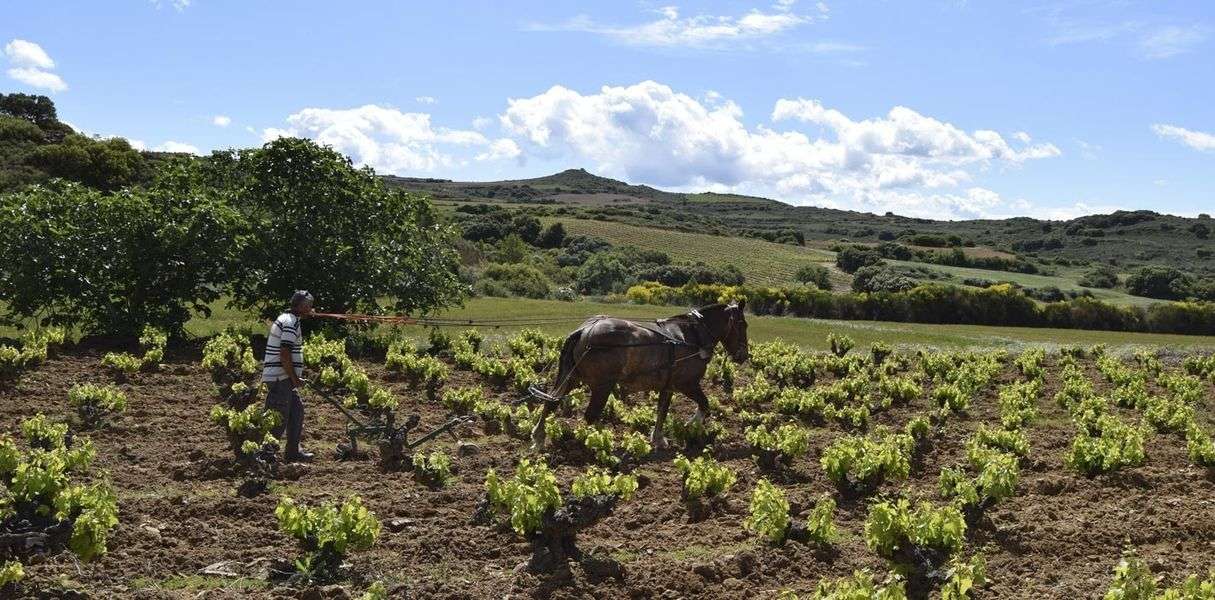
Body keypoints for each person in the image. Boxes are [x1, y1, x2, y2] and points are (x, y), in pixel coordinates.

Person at [263, 290, 315, 462]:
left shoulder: (290, 320)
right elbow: (284, 353)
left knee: (296, 412)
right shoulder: (290, 323)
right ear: (301, 306)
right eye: (309, 306)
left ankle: (292, 451)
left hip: (284, 378)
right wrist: (294, 378)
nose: (311, 309)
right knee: (279, 417)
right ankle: (266, 454)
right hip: (280, 378)